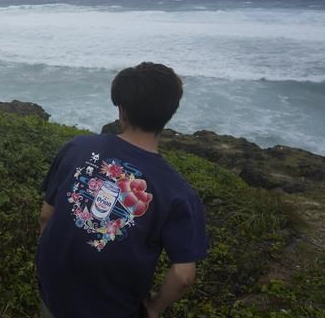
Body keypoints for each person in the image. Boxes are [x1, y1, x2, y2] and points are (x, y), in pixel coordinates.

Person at [36, 62, 208, 318]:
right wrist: (154, 308)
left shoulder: (76, 148)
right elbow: (183, 275)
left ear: (122, 110)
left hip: (54, 294)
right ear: (169, 113)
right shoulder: (178, 192)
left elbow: (45, 217)